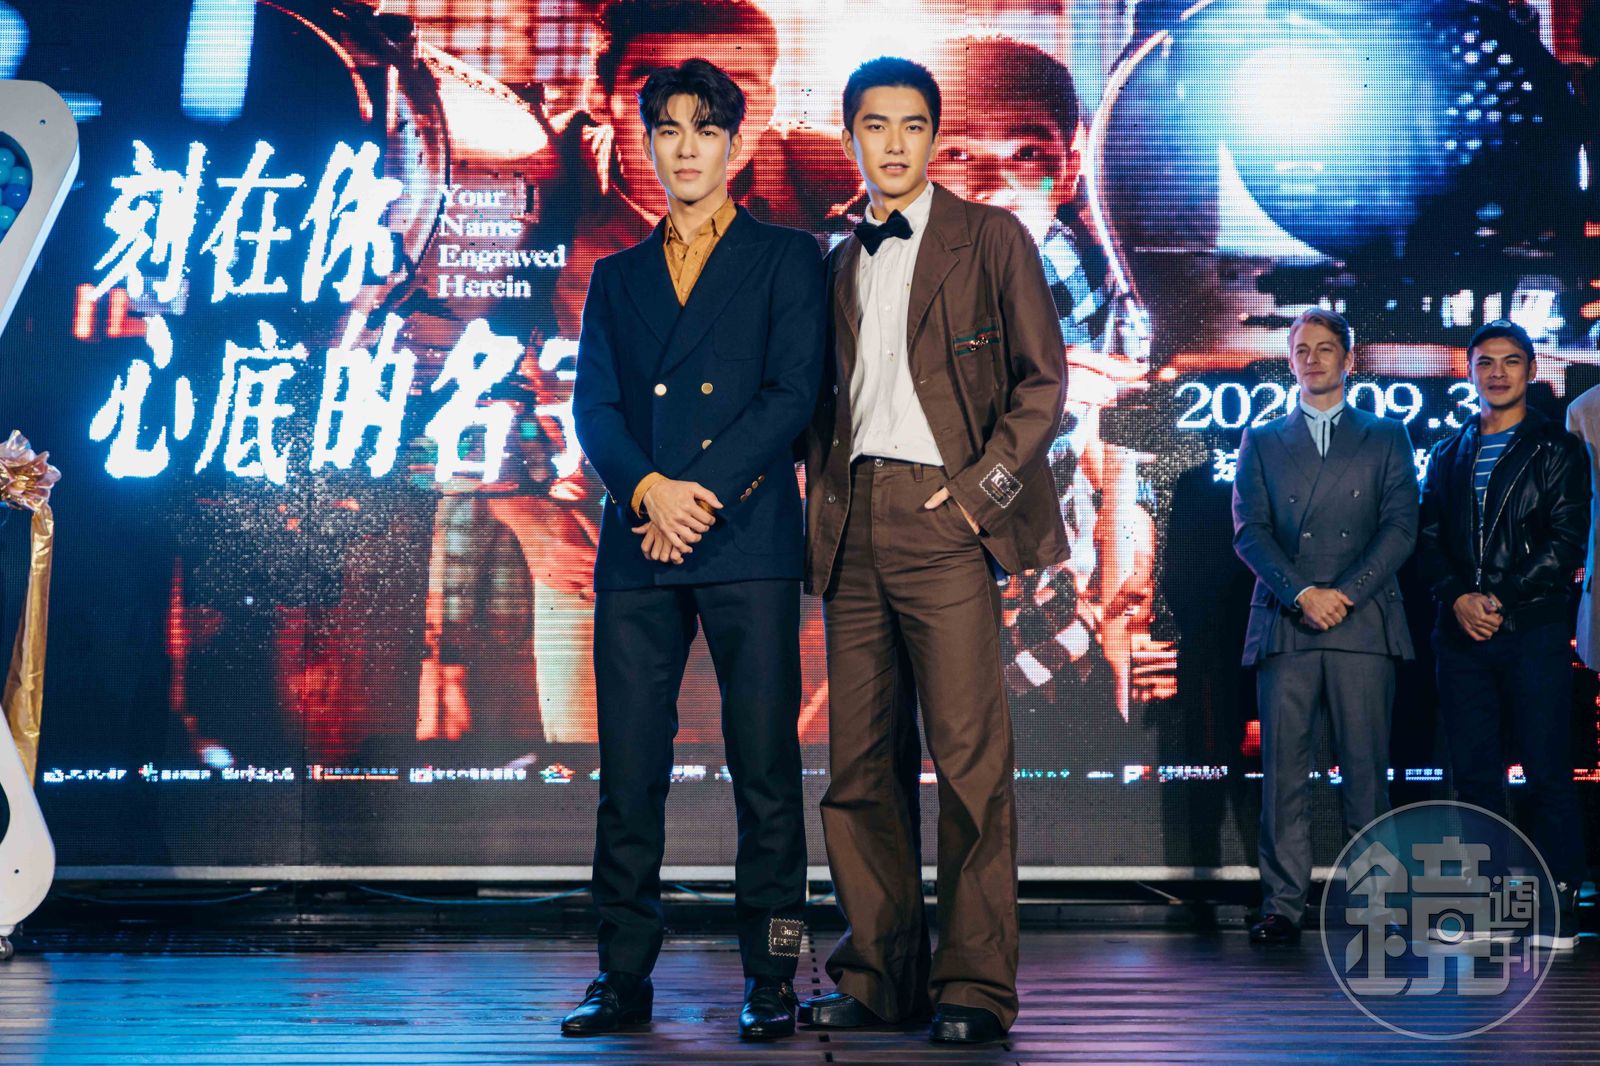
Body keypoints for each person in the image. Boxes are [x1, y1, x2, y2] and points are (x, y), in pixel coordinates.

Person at [800, 56, 1067, 1044]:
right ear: (851, 138)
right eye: (876, 125)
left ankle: (975, 987)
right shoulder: (835, 262)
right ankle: (878, 973)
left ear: (932, 137)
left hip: (943, 519)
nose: (895, 143)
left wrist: (975, 495)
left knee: (967, 765)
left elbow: (1043, 382)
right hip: (852, 522)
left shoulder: (990, 237)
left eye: (913, 125)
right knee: (859, 771)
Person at [561, 58, 825, 1037]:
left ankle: (775, 973)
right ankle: (621, 974)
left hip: (746, 535)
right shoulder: (616, 274)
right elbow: (595, 409)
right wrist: (649, 491)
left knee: (767, 773)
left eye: (704, 130)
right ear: (646, 142)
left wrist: (697, 495)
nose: (685, 148)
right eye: (668, 129)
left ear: (735, 144)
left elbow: (792, 397)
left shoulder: (787, 257)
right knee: (629, 775)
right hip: (641, 540)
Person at [1230, 308, 1417, 944]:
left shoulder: (1386, 436)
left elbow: (1401, 527)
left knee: (1366, 775)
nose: (1312, 359)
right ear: (1290, 362)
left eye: (1324, 348)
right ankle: (1282, 906)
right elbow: (1250, 532)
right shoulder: (1262, 439)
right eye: (1301, 350)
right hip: (1289, 622)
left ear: (1349, 359)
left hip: (1363, 623)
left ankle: (1377, 909)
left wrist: (1344, 594)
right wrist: (1304, 593)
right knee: (1284, 776)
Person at [1418, 318, 1590, 950]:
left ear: (1531, 370)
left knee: (1547, 771)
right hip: (1460, 636)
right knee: (1474, 776)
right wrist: (1459, 598)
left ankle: (1558, 906)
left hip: (1532, 631)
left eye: (1510, 361)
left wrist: (1498, 599)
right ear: (1469, 372)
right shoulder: (1448, 451)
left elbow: (1566, 540)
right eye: (1485, 362)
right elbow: (1427, 538)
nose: (1497, 373)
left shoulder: (1557, 448)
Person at [545, 0, 859, 336]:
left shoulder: (843, 174)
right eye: (660, 91)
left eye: (735, 93)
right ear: (599, 98)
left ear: (770, 104)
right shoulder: (541, 170)